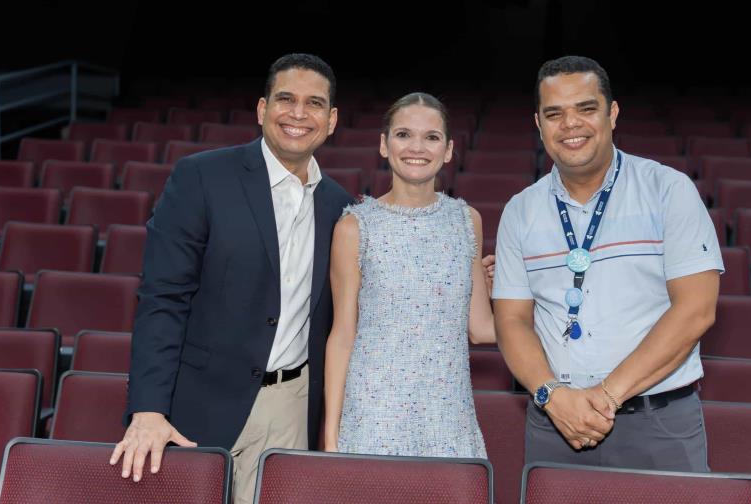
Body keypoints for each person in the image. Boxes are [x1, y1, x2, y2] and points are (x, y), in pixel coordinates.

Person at [110, 53, 354, 504]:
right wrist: (147, 409)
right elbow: (163, 299)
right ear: (262, 110)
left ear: (332, 119)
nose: (299, 114)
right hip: (197, 404)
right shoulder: (201, 177)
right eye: (286, 99)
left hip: (291, 407)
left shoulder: (339, 205)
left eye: (314, 103)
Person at [492, 55, 722, 472]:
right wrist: (552, 397)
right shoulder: (520, 211)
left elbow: (696, 310)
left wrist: (606, 397)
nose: (571, 125)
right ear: (538, 124)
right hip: (553, 423)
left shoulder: (668, 190)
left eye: (586, 108)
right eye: (554, 114)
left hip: (660, 424)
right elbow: (511, 321)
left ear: (612, 113)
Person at [323, 92, 496, 458]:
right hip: (372, 415)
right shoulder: (355, 226)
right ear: (384, 145)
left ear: (448, 150)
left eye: (431, 137)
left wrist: (528, 296)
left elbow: (481, 329)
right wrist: (330, 434)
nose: (417, 147)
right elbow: (342, 335)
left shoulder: (468, 221)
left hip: (447, 415)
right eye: (403, 134)